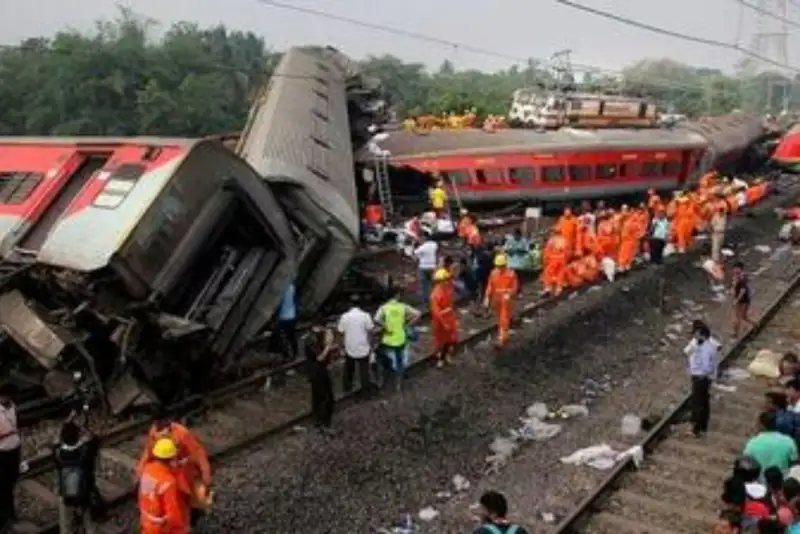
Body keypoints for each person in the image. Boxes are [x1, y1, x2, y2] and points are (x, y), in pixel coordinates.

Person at [136, 418, 212, 526]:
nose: (159, 439)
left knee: (189, 495)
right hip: (169, 468)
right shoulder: (155, 434)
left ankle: (192, 512)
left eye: (162, 436)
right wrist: (140, 470)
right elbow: (148, 451)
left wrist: (206, 474)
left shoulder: (182, 434)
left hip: (183, 468)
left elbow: (198, 453)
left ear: (169, 430)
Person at [53, 415, 102, 534]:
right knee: (88, 521)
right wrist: (84, 431)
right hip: (83, 492)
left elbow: (58, 440)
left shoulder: (57, 453)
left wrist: (67, 420)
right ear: (78, 436)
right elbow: (95, 440)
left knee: (66, 524)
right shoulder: (86, 451)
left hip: (66, 493)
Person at [374, 287, 422, 391]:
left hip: (388, 339)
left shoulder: (384, 308)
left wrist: (385, 325)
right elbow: (418, 314)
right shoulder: (403, 307)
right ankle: (398, 385)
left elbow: (376, 319)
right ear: (397, 295)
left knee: (381, 357)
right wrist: (407, 323)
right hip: (400, 339)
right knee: (400, 362)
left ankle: (382, 382)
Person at [138, 438, 189, 534]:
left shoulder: (147, 469)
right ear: (172, 458)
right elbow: (172, 512)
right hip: (160, 526)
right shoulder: (168, 482)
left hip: (146, 519)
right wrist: (179, 529)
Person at [684, 323, 718, 437]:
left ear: (701, 334)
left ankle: (696, 429)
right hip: (701, 377)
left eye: (696, 333)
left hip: (701, 377)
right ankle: (702, 427)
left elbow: (707, 366)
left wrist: (702, 375)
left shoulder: (706, 348)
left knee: (698, 403)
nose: (694, 336)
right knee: (703, 402)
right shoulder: (702, 345)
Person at [337, 296, 376, 394]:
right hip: (363, 347)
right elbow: (370, 333)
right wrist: (371, 347)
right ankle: (366, 390)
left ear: (349, 304)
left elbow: (341, 333)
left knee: (348, 368)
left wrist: (341, 347)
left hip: (349, 347)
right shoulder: (366, 316)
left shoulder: (344, 316)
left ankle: (347, 387)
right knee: (364, 370)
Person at [306, 323, 337, 434]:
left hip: (320, 371)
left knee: (319, 398)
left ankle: (318, 421)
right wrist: (328, 345)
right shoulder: (311, 340)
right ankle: (323, 423)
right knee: (325, 398)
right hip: (317, 372)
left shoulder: (316, 338)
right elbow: (320, 357)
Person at [484, 254, 519, 347]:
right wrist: (487, 297)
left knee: (504, 318)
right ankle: (504, 335)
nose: (500, 268)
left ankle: (501, 338)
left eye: (501, 266)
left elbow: (515, 288)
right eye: (498, 266)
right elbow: (490, 286)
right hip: (496, 299)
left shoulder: (511, 274)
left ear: (505, 265)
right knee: (499, 318)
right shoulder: (493, 273)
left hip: (506, 299)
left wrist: (509, 294)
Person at [0, 383, 20, 532]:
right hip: (2, 452)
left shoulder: (12, 406)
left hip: (14, 449)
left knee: (11, 482)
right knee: (3, 486)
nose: (7, 398)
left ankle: (10, 513)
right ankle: (5, 518)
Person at [429, 268, 458, 368]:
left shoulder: (448, 288)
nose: (448, 281)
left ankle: (444, 355)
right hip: (441, 320)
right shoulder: (435, 295)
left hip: (449, 317)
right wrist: (444, 323)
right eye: (445, 280)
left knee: (452, 339)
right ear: (440, 281)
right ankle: (440, 357)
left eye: (448, 279)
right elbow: (436, 312)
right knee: (442, 340)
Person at [276, 282, 298, 361]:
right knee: (291, 336)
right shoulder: (292, 286)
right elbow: (295, 302)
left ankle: (287, 355)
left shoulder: (280, 288)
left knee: (283, 336)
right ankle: (293, 353)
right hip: (291, 315)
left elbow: (278, 304)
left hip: (283, 316)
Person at [413, 235, 438, 305]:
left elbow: (414, 257)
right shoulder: (433, 244)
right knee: (433, 282)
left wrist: (414, 246)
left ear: (421, 240)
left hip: (423, 267)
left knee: (423, 284)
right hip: (432, 266)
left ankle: (425, 301)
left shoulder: (421, 248)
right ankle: (436, 297)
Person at [732, 261, 755, 337]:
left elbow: (742, 291)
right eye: (734, 268)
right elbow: (735, 287)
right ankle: (755, 324)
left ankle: (735, 334)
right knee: (743, 316)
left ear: (740, 269)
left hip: (743, 300)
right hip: (743, 299)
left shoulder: (742, 278)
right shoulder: (736, 276)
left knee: (737, 317)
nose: (735, 270)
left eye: (736, 268)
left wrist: (736, 300)